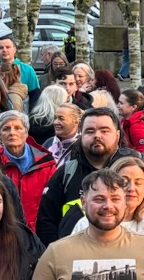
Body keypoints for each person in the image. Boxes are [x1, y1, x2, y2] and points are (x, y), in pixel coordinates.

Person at [36, 105, 126, 244]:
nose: (97, 135)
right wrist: (59, 252)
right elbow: (46, 221)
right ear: (81, 134)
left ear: (117, 135)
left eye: (104, 131)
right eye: (90, 131)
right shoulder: (66, 173)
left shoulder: (133, 172)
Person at [0, 111, 53, 229]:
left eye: (18, 128)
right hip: (6, 230)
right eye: (6, 129)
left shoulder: (47, 164)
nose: (12, 133)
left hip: (41, 230)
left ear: (26, 132)